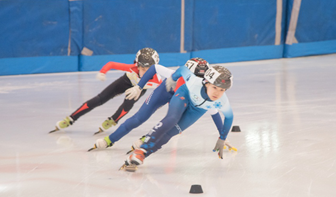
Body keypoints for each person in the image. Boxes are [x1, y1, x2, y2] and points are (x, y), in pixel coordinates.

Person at [88, 58, 236, 151]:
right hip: (166, 91)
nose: (196, 81)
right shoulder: (176, 75)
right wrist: (139, 86)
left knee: (173, 124)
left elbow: (214, 112)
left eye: (201, 78)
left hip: (183, 98)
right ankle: (110, 140)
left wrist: (222, 136)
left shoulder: (202, 89)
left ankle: (147, 138)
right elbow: (154, 68)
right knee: (139, 118)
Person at [121, 64, 234, 171]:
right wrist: (173, 78)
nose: (217, 93)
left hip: (197, 110)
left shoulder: (222, 101)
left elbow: (229, 117)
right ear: (206, 83)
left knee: (171, 133)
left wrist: (222, 138)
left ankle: (142, 155)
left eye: (222, 90)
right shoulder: (194, 81)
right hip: (184, 94)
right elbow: (183, 69)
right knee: (172, 119)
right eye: (215, 87)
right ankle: (141, 150)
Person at [49, 48, 162, 134]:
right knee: (100, 99)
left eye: (148, 70)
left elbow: (169, 90)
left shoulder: (157, 79)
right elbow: (111, 64)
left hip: (138, 89)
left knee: (127, 105)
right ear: (136, 64)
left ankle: (112, 121)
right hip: (125, 81)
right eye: (142, 68)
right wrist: (102, 72)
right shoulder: (131, 68)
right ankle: (71, 118)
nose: (144, 73)